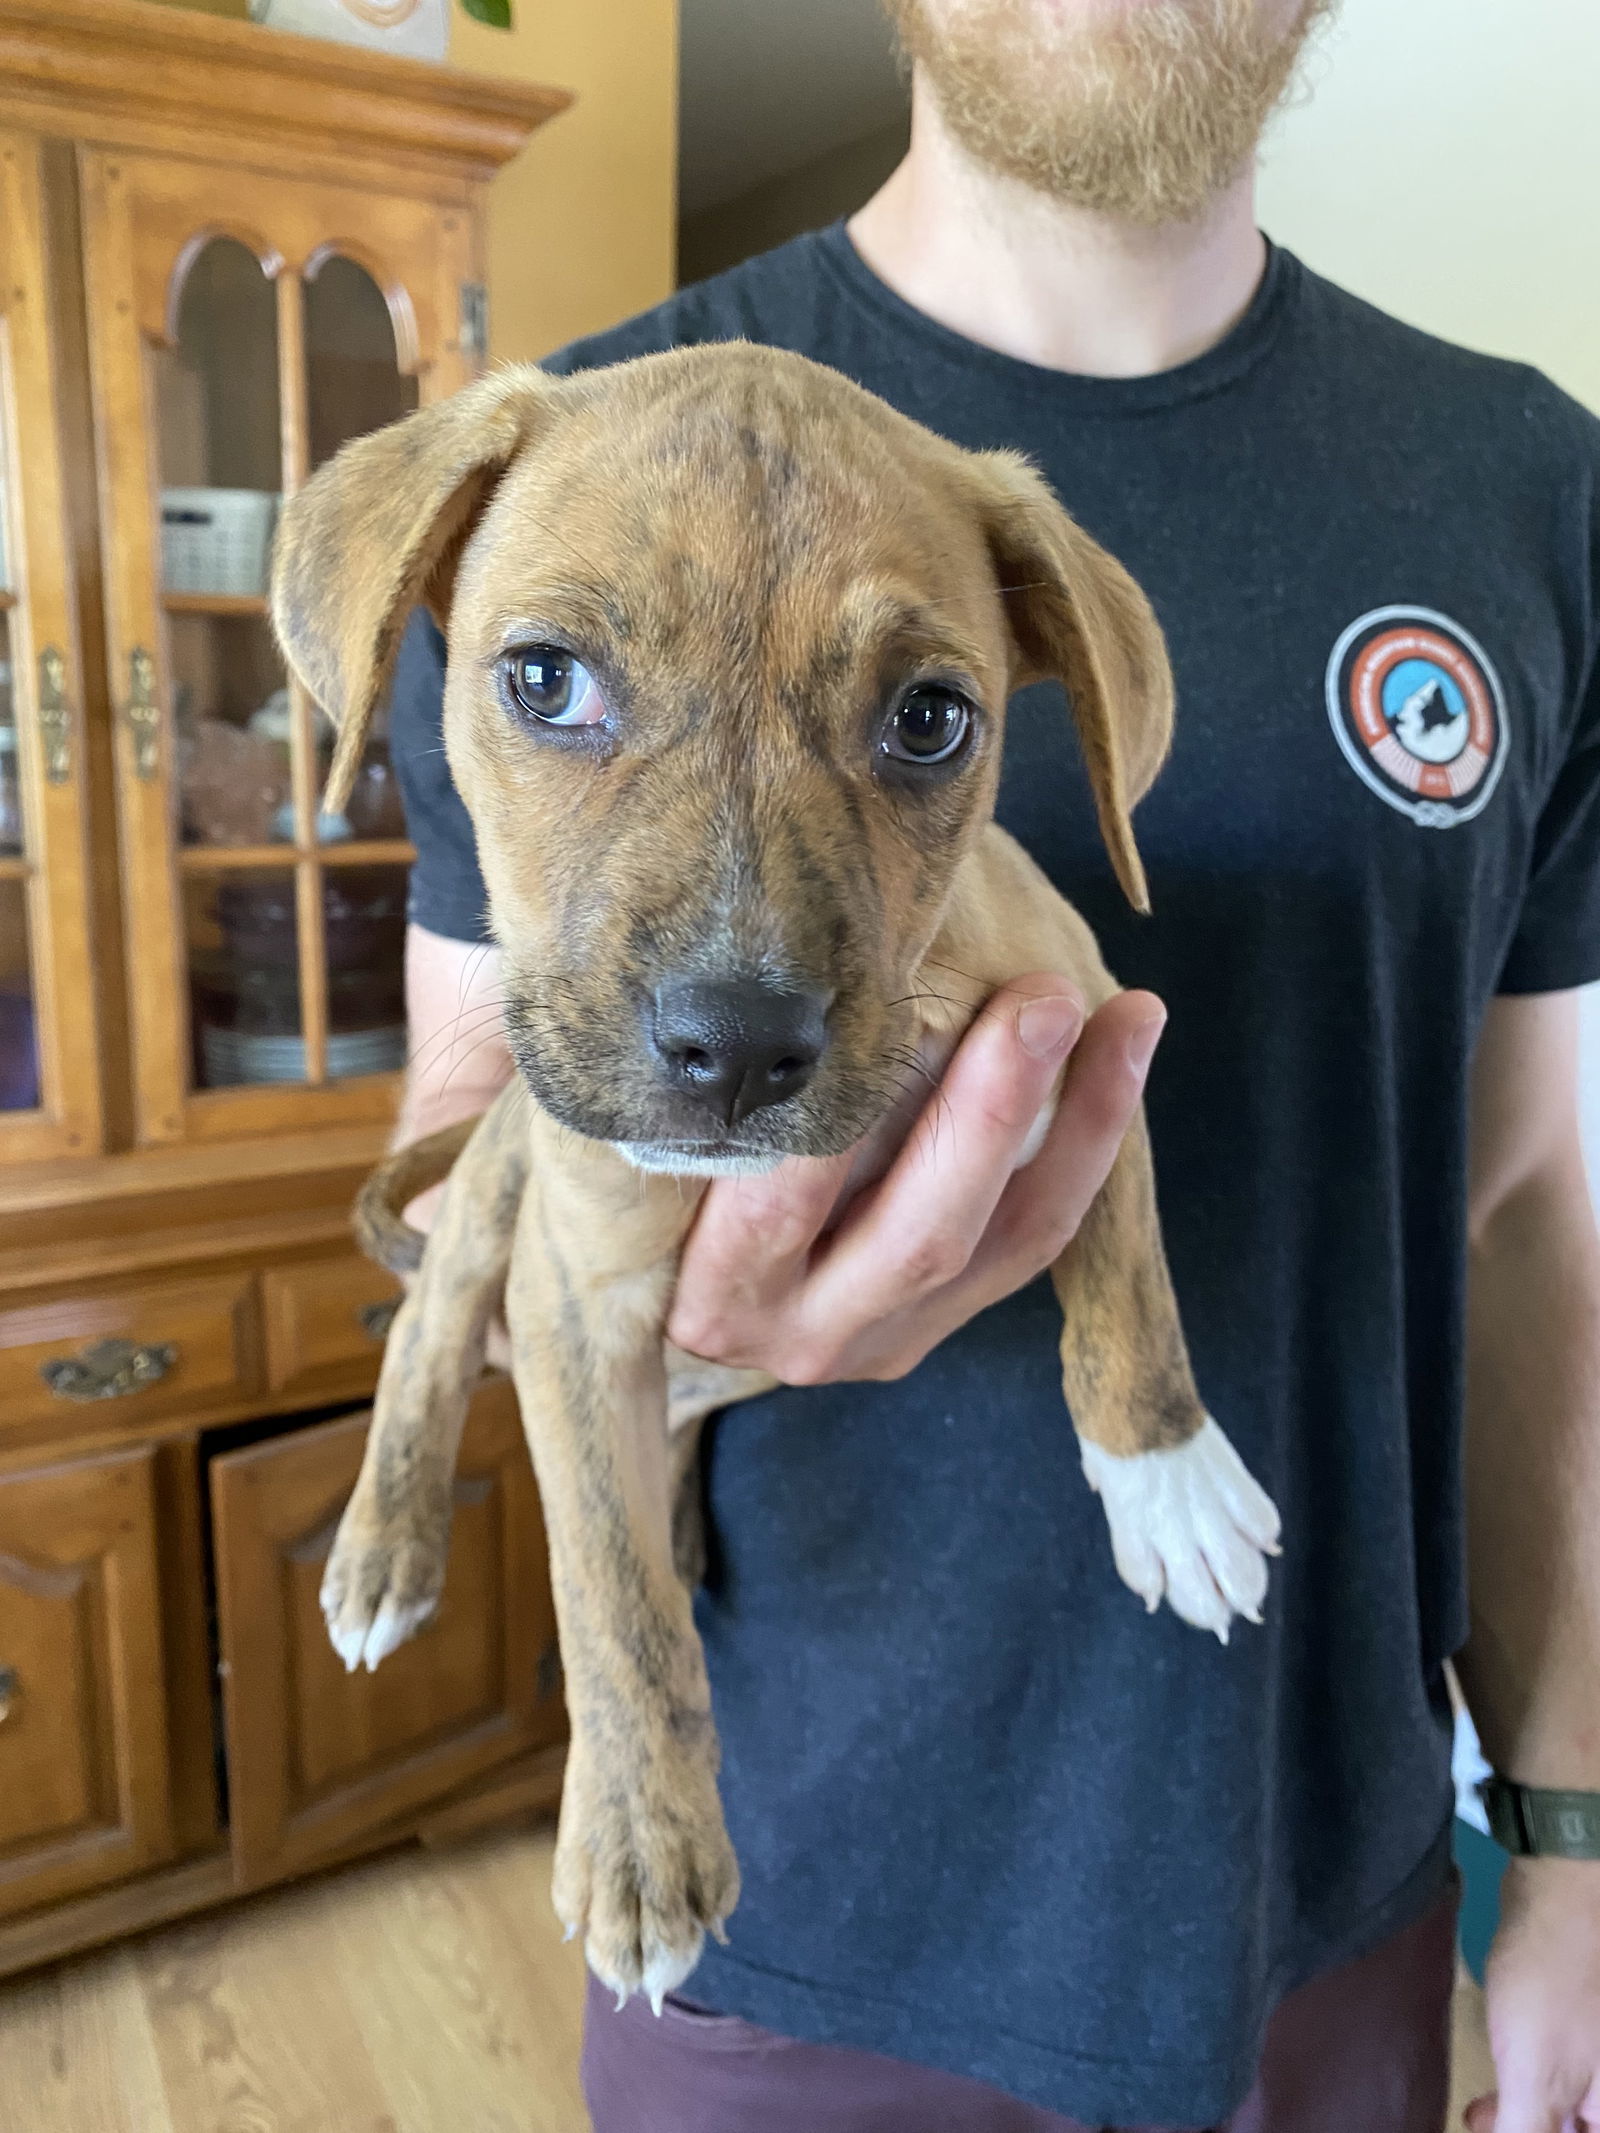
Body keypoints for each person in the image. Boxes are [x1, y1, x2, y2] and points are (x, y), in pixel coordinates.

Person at [388, 1, 1600, 2125]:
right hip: (782, 1906)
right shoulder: (548, 468)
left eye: (926, 721)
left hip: (1325, 1860)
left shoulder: (1531, 487)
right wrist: (658, 1327)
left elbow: (1518, 1216)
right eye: (565, 689)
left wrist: (1575, 1833)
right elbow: (453, 1164)